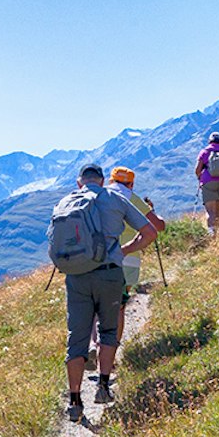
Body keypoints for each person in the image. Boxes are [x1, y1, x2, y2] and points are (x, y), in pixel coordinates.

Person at [51, 162, 166, 423]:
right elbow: (149, 232)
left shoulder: (65, 202)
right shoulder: (115, 199)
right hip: (110, 273)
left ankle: (74, 401)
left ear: (79, 183)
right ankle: (103, 387)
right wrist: (124, 250)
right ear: (102, 181)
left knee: (76, 338)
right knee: (109, 330)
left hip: (77, 278)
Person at [110, 166, 154, 292]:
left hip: (103, 255)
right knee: (122, 299)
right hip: (129, 255)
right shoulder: (133, 198)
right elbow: (158, 226)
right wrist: (152, 210)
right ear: (131, 184)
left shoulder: (101, 197)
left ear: (111, 181)